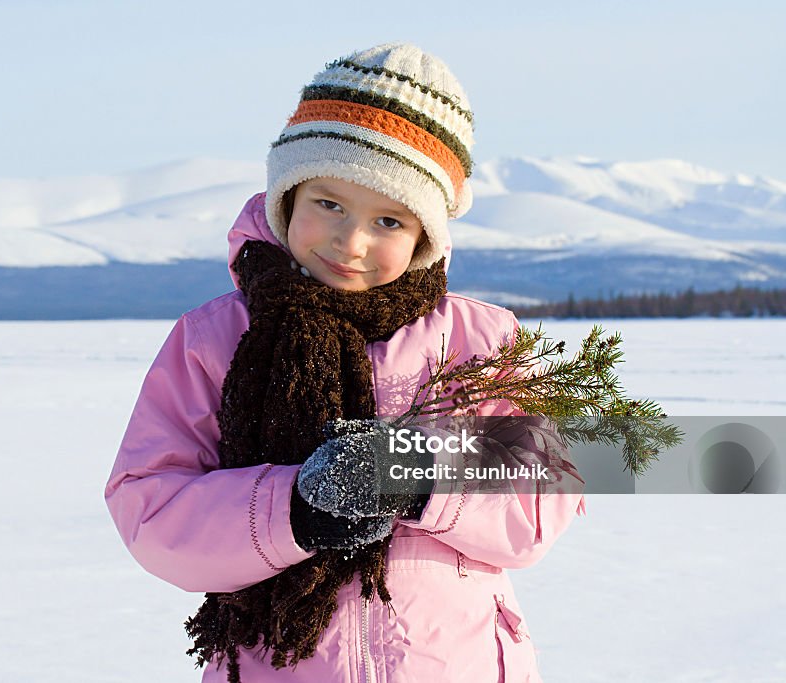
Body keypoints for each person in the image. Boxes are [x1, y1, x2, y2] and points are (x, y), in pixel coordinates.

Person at [105, 42, 586, 683]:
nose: (350, 241)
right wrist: (293, 508)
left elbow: (542, 501)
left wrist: (423, 475)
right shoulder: (215, 339)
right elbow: (152, 507)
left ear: (424, 237)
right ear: (288, 196)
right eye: (329, 203)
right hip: (278, 664)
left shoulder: (481, 340)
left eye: (388, 219)